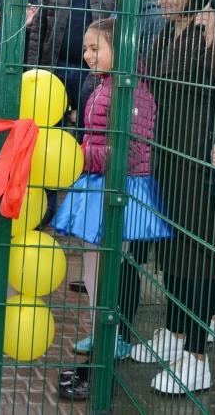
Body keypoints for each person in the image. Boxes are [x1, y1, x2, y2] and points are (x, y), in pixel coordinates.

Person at [134, 0, 215, 395]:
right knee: (175, 249)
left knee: (201, 254)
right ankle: (176, 329)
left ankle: (197, 355)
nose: (162, 0)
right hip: (170, 158)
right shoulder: (167, 33)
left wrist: (213, 37)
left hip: (202, 160)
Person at [51, 19, 169, 362]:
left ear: (120, 50)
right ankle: (100, 329)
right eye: (86, 48)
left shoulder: (133, 92)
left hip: (120, 187)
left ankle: (115, 334)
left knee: (111, 265)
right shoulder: (104, 83)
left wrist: (77, 155)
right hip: (98, 181)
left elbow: (129, 151)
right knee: (92, 264)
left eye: (95, 48)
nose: (87, 55)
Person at [26, 0, 117, 127]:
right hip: (57, 64)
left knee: (88, 125)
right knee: (49, 124)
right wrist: (33, 67)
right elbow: (40, 24)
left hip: (94, 68)